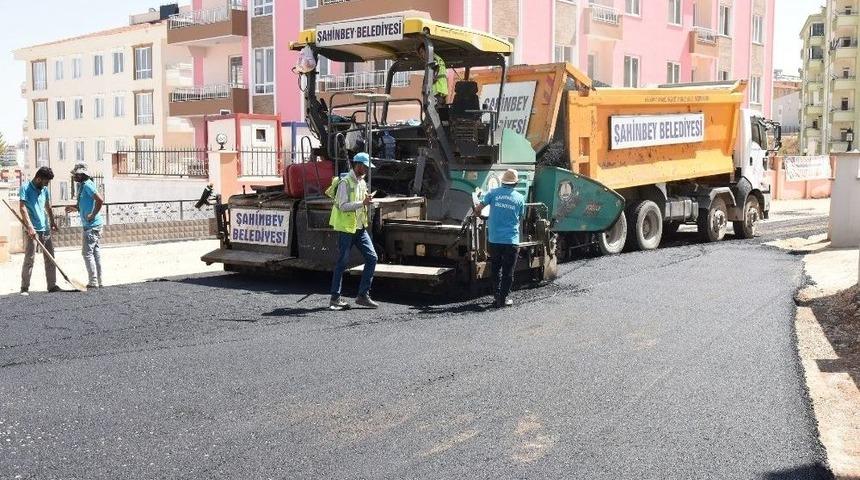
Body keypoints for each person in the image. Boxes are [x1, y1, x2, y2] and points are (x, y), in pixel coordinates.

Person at [329, 152, 379, 310]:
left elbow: (362, 203)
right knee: (342, 263)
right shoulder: (345, 183)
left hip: (359, 228)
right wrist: (362, 203)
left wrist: (367, 201)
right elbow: (342, 206)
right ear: (358, 165)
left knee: (372, 258)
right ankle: (335, 298)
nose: (367, 170)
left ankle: (363, 295)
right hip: (346, 229)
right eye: (365, 167)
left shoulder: (362, 182)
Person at [473, 168, 525, 308]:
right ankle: (503, 298)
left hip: (494, 239)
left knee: (496, 269)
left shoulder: (492, 193)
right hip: (511, 240)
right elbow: (521, 216)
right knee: (508, 271)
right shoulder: (520, 198)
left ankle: (496, 296)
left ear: (503, 181)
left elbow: (478, 208)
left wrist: (479, 215)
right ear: (515, 183)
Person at [19, 167, 59, 295]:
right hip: (32, 230)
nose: (46, 184)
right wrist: (30, 227)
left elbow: (48, 206)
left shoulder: (45, 189)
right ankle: (24, 288)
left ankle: (52, 286)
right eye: (45, 181)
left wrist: (52, 222)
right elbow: (22, 208)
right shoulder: (25, 188)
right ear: (38, 179)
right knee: (30, 259)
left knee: (50, 258)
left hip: (45, 228)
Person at [65, 163, 104, 288]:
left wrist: (93, 214)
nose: (74, 177)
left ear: (82, 175)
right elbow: (85, 204)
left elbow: (100, 200)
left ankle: (93, 282)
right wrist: (74, 208)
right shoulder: (83, 186)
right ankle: (99, 281)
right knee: (95, 254)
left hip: (92, 226)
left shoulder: (87, 185)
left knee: (86, 253)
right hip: (92, 225)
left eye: (76, 175)